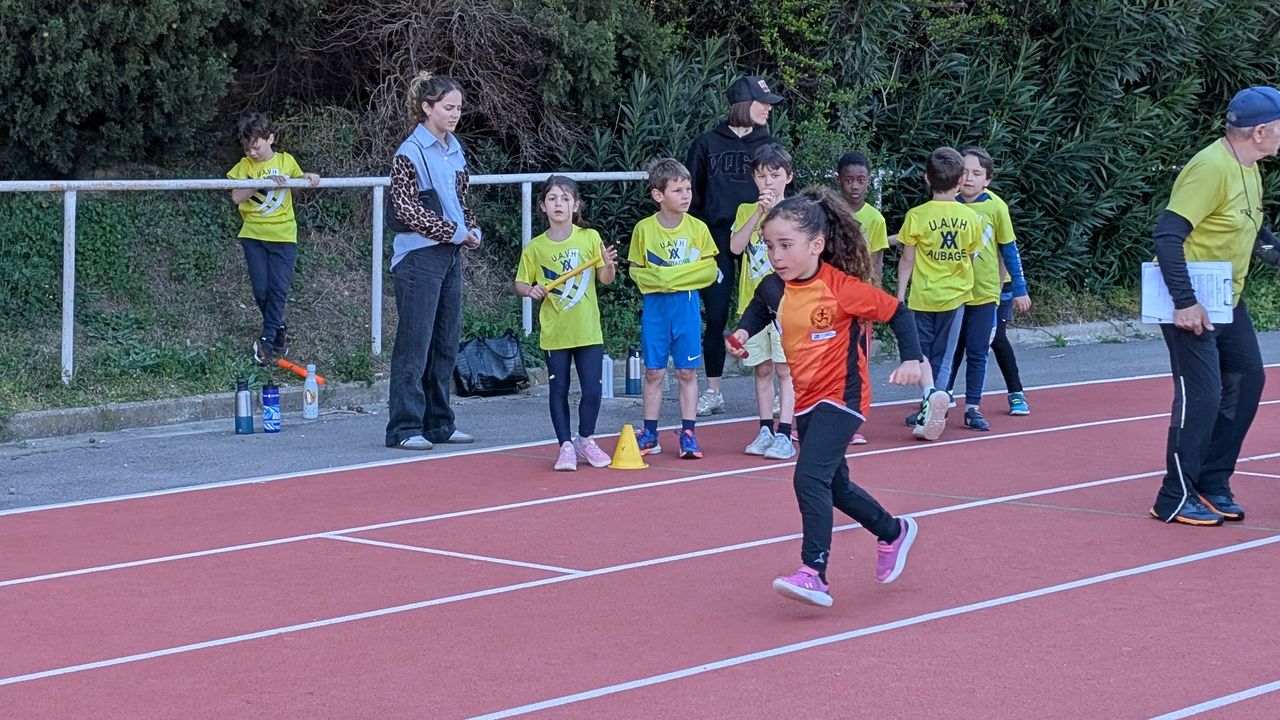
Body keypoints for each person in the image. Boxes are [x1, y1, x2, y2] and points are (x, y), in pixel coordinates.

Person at [729, 188, 924, 608]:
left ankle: (813, 571)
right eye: (769, 246)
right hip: (806, 401)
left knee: (808, 478)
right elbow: (761, 306)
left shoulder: (842, 289)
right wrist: (742, 333)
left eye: (786, 245)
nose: (776, 255)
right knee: (835, 486)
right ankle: (893, 531)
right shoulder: (774, 287)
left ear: (816, 245)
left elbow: (898, 312)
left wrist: (912, 359)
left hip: (843, 398)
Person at [1149, 85, 1280, 526]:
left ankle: (1212, 481)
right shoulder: (1211, 168)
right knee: (1201, 395)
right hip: (1190, 300)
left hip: (1227, 298)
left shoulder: (1250, 167)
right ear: (1260, 132)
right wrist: (1185, 302)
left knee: (1247, 381)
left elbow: (1251, 227)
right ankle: (1173, 496)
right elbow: (1168, 235)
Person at [384, 72, 483, 451]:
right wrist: (455, 231)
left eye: (458, 108)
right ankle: (404, 426)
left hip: (449, 256)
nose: (455, 114)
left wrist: (472, 228)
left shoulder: (455, 149)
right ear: (427, 108)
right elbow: (406, 210)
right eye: (448, 107)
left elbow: (461, 201)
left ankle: (439, 422)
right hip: (417, 258)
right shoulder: (409, 152)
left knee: (445, 342)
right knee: (415, 343)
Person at [685, 76, 783, 417]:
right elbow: (692, 196)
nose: (769, 108)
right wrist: (697, 238)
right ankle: (713, 390)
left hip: (762, 236)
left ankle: (777, 389)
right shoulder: (706, 143)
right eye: (763, 102)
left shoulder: (768, 144)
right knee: (715, 315)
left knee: (775, 307)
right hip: (717, 237)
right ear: (743, 103)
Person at [515, 176, 619, 471]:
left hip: (587, 330)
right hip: (555, 332)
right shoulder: (535, 247)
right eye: (552, 198)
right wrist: (531, 291)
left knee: (593, 390)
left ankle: (585, 439)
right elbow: (521, 284)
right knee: (558, 390)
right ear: (542, 206)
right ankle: (565, 446)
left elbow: (605, 279)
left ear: (576, 205)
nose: (558, 203)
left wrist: (608, 264)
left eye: (565, 198)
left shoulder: (590, 237)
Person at [629, 158, 719, 459]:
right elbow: (637, 273)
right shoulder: (644, 229)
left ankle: (689, 433)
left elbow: (708, 272)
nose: (686, 196)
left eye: (688, 189)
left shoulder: (698, 229)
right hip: (656, 310)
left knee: (687, 372)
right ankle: (650, 433)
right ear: (659, 195)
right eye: (678, 190)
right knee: (654, 372)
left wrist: (667, 277)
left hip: (686, 308)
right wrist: (677, 276)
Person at [896, 147, 981, 439]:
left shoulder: (916, 215)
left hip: (922, 296)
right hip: (955, 297)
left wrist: (900, 295)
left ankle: (929, 398)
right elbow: (972, 254)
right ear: (960, 181)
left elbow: (907, 259)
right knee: (944, 355)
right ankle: (935, 400)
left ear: (926, 178)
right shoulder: (970, 217)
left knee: (921, 352)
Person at [944, 147, 1032, 430]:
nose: (969, 178)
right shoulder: (948, 203)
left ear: (988, 179)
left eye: (976, 173)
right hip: (956, 291)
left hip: (992, 290)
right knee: (955, 343)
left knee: (993, 341)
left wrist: (1018, 288)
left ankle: (1013, 393)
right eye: (964, 172)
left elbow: (1008, 250)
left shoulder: (996, 207)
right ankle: (942, 395)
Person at [226, 112, 320, 365]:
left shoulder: (286, 161)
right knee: (261, 290)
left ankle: (267, 340)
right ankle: (278, 328)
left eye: (255, 147)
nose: (252, 153)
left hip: (283, 235)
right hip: (253, 235)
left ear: (270, 139)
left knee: (278, 288)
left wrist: (309, 177)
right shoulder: (244, 166)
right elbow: (236, 196)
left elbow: (299, 182)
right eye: (247, 149)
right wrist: (260, 182)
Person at [729, 144, 795, 460]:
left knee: (786, 369)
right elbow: (735, 247)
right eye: (761, 175)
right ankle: (765, 428)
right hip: (752, 306)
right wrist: (758, 212)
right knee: (762, 369)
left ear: (788, 177)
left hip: (787, 305)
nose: (768, 182)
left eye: (775, 175)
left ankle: (785, 433)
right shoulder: (746, 210)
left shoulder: (796, 212)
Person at [836, 151, 891, 445]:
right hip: (830, 300)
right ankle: (817, 420)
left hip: (859, 302)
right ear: (839, 180)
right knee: (825, 362)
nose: (854, 186)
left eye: (860, 180)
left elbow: (876, 263)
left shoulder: (875, 219)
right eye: (849, 180)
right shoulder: (828, 213)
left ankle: (852, 421)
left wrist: (875, 300)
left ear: (869, 181)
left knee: (857, 364)